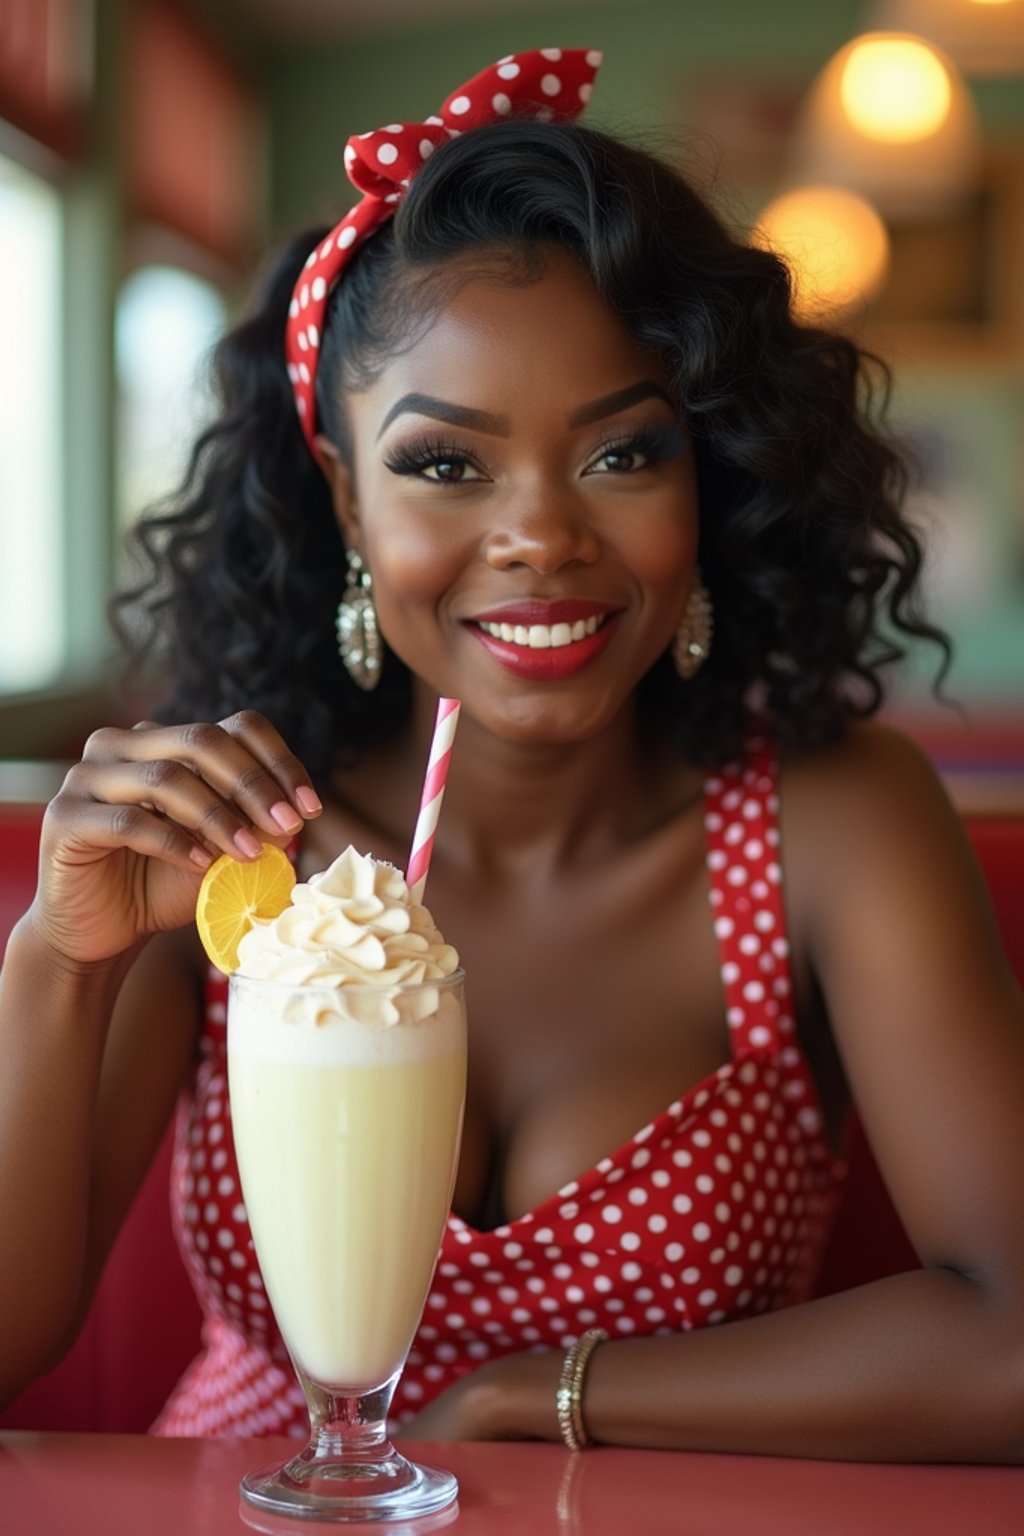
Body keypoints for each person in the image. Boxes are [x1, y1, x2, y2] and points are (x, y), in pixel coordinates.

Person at [2, 47, 1022, 1461]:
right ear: (344, 502)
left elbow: (1012, 1337)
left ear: (707, 484)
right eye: (442, 463)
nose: (541, 533)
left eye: (622, 455)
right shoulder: (235, 858)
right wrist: (60, 960)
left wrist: (533, 1399)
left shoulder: (831, 827)